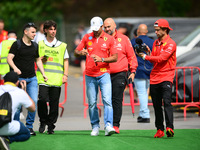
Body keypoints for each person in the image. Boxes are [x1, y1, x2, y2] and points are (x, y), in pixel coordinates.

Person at [74, 16, 118, 136]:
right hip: (90, 74)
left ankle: (108, 125)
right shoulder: (87, 37)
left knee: (107, 101)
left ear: (102, 27)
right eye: (93, 28)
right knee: (92, 102)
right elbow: (76, 51)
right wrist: (80, 52)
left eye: (97, 28)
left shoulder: (109, 38)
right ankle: (95, 126)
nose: (94, 31)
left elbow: (115, 57)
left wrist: (102, 59)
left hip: (104, 74)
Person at [137, 19, 176, 138]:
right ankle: (160, 129)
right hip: (154, 77)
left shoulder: (171, 43)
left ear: (165, 30)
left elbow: (162, 58)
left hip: (166, 76)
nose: (156, 32)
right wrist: (148, 53)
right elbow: (155, 57)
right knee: (156, 105)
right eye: (155, 30)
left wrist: (145, 57)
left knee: (167, 102)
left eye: (158, 30)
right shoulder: (155, 43)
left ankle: (170, 127)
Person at [7, 23, 47, 136]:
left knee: (33, 102)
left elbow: (38, 60)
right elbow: (9, 58)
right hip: (19, 79)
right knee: (18, 104)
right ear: (26, 32)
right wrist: (15, 69)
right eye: (33, 32)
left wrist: (43, 74)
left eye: (35, 32)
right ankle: (15, 127)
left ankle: (29, 126)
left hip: (32, 79)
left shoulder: (35, 46)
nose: (35, 34)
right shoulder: (17, 44)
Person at [103, 18, 138, 134]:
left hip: (120, 74)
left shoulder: (124, 39)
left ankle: (115, 125)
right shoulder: (102, 39)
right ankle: (108, 124)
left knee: (116, 99)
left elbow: (131, 56)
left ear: (114, 26)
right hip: (105, 74)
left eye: (109, 26)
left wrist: (132, 71)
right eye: (105, 27)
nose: (107, 29)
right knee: (107, 100)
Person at [36, 20, 69, 134]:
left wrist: (65, 75)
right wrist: (41, 59)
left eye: (54, 29)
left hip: (56, 78)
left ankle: (51, 125)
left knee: (54, 104)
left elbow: (66, 60)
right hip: (43, 78)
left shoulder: (62, 45)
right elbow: (36, 59)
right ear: (45, 30)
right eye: (50, 29)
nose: (53, 31)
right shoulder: (40, 44)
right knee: (42, 100)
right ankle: (43, 121)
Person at [0, 71, 35, 150]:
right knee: (26, 133)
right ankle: (7, 139)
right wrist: (24, 90)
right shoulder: (19, 92)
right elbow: (33, 108)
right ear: (17, 82)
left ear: (4, 80)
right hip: (7, 128)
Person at [131, 24, 154, 123]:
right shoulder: (153, 42)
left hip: (138, 70)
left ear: (137, 32)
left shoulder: (132, 42)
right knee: (144, 92)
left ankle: (145, 114)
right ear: (147, 31)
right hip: (150, 70)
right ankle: (142, 113)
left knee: (141, 92)